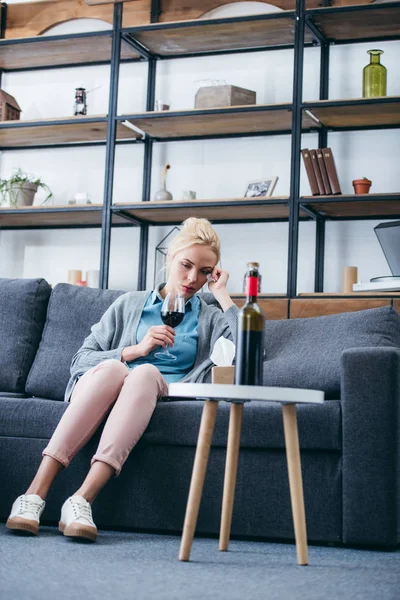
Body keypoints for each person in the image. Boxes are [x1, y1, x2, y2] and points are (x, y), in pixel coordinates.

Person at [6, 217, 239, 542]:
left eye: (203, 271)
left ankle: (81, 500)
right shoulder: (129, 304)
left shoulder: (210, 316)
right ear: (169, 258)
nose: (191, 278)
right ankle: (33, 495)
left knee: (145, 373)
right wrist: (134, 349)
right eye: (186, 265)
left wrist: (223, 294)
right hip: (100, 386)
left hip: (151, 391)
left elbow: (249, 347)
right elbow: (80, 362)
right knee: (121, 368)